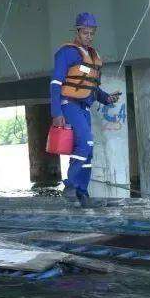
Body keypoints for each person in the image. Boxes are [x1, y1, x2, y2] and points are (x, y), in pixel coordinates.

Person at [50, 12, 121, 207]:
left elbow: (91, 87)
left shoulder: (92, 56)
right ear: (78, 31)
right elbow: (56, 83)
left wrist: (107, 98)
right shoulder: (67, 52)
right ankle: (70, 186)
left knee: (88, 153)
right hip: (68, 104)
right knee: (86, 143)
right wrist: (56, 113)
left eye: (91, 33)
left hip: (84, 107)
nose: (88, 36)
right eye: (85, 32)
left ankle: (83, 194)